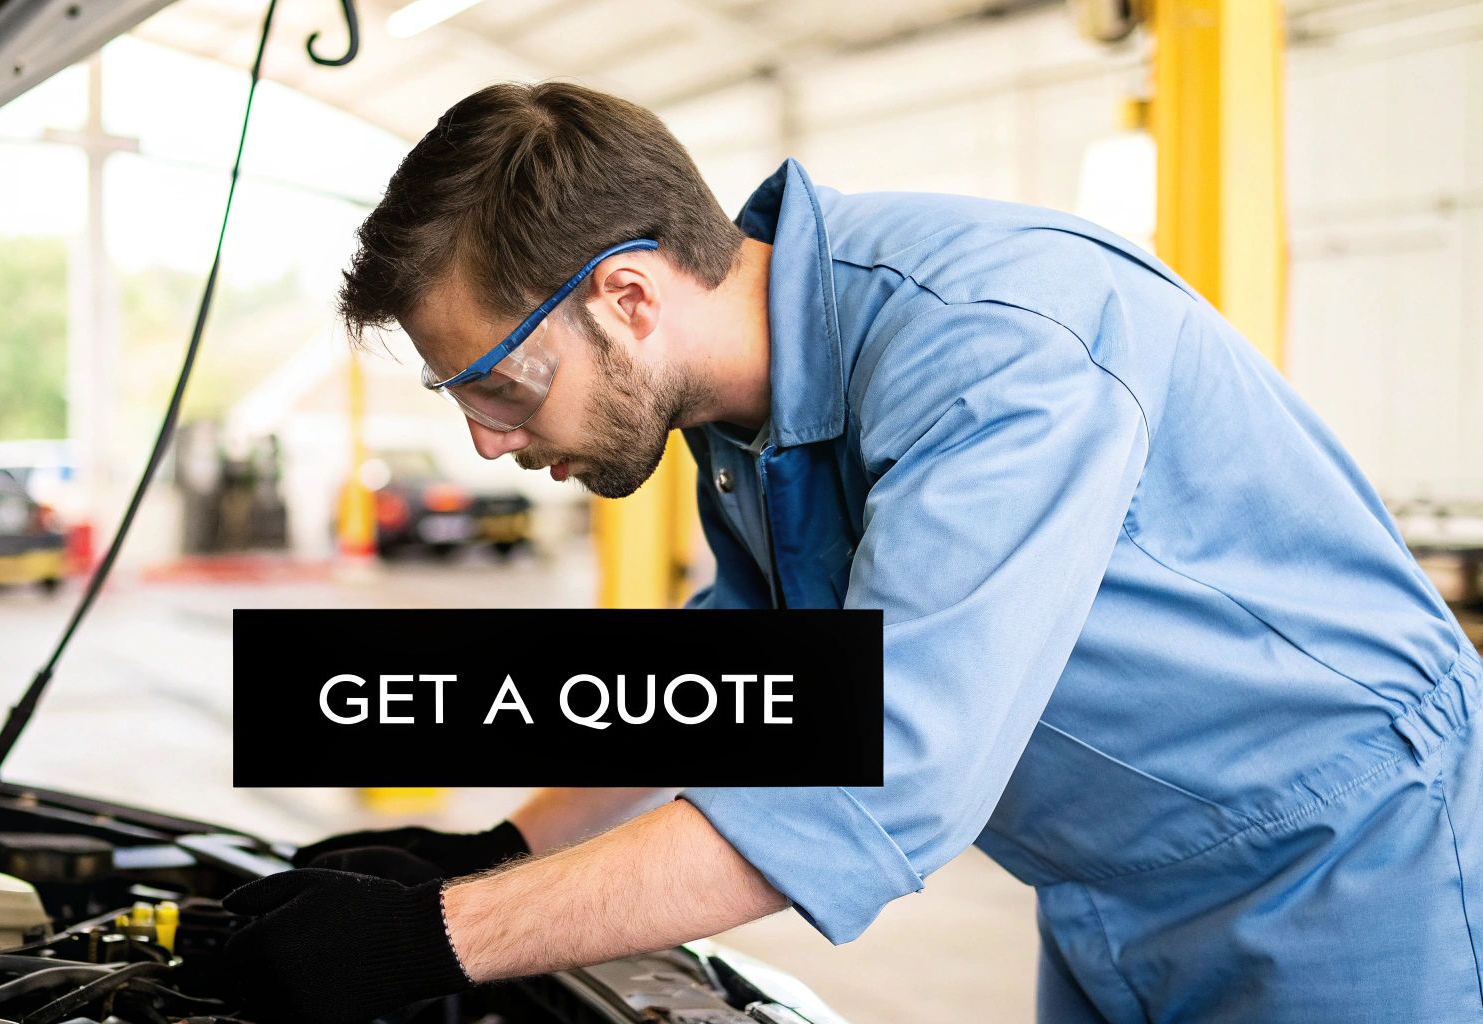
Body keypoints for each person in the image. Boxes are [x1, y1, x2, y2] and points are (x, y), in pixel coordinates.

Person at [219, 82, 1483, 1024]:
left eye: (498, 382)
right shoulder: (745, 410)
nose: (487, 443)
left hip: (1346, 860)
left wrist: (437, 939)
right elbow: (752, 683)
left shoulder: (990, 351)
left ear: (628, 298)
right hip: (1111, 884)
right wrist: (502, 852)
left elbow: (869, 771)